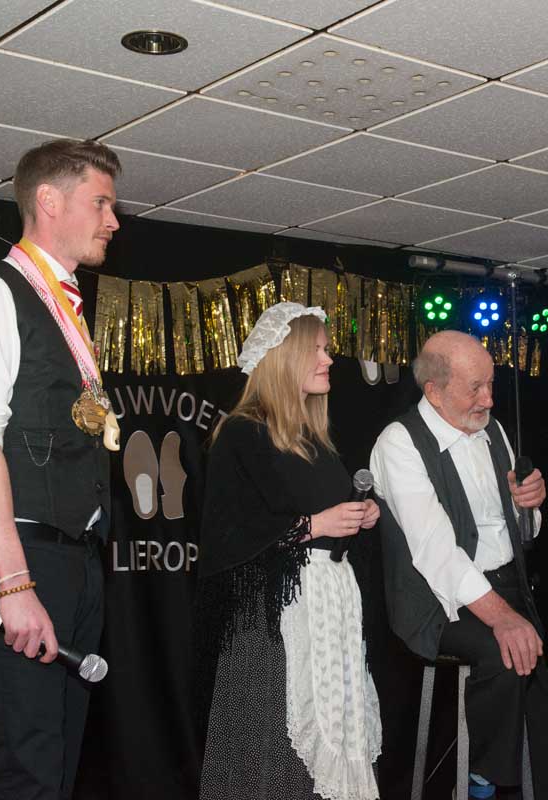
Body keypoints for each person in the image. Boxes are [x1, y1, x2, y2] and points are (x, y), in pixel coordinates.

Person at [0, 138, 122, 798]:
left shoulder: (62, 302)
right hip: (15, 561)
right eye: (101, 203)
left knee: (56, 764)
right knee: (25, 767)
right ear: (49, 200)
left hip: (71, 560)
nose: (113, 221)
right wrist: (14, 585)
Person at [197, 302, 383, 800]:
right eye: (316, 349)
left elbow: (327, 517)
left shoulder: (314, 438)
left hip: (329, 612)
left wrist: (362, 514)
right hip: (273, 622)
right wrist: (316, 524)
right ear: (284, 357)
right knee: (273, 753)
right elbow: (229, 536)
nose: (328, 360)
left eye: (326, 349)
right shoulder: (243, 432)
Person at [370, 330, 548, 800]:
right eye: (476, 387)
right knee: (503, 655)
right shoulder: (399, 443)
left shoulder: (492, 430)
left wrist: (530, 505)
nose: (489, 398)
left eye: (490, 383)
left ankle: (532, 785)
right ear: (434, 391)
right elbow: (436, 552)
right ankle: (481, 781)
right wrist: (503, 618)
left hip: (506, 584)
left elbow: (522, 531)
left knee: (542, 711)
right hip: (436, 603)